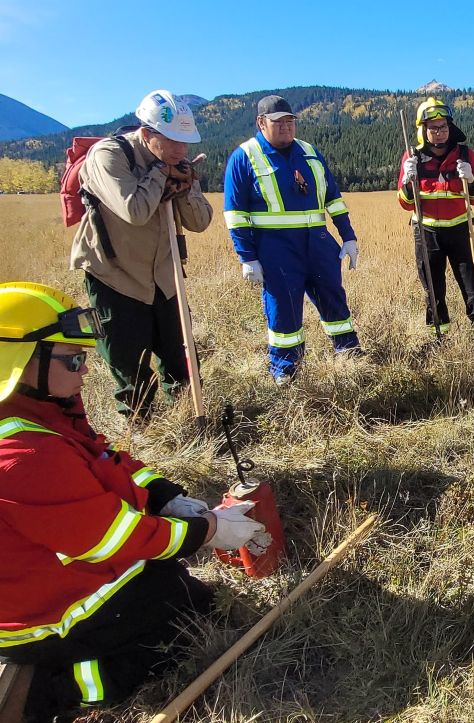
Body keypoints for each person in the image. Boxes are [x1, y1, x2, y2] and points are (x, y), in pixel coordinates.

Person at [0, 282, 263, 719]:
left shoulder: (41, 408)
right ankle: (53, 688)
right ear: (20, 363)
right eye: (75, 358)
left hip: (51, 568)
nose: (87, 370)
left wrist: (166, 498)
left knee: (181, 592)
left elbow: (103, 459)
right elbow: (109, 538)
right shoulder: (21, 456)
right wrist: (208, 531)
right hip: (42, 614)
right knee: (182, 623)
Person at [70, 89, 212, 420]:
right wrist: (160, 175)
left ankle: (188, 426)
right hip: (117, 277)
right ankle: (141, 440)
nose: (181, 149)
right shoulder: (109, 156)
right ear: (147, 134)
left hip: (165, 277)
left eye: (185, 141)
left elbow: (200, 222)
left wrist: (186, 185)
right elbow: (134, 210)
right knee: (130, 370)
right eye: (172, 140)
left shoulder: (179, 162)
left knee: (181, 360)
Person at [224, 95, 362, 383]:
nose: (286, 127)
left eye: (290, 121)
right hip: (276, 249)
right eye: (279, 122)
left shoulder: (309, 152)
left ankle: (349, 355)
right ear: (261, 123)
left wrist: (348, 236)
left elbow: (333, 198)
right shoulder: (244, 157)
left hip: (319, 245)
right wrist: (247, 257)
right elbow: (236, 214)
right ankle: (285, 370)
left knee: (335, 301)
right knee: (284, 311)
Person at [397, 97, 474, 347]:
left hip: (460, 229)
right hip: (427, 231)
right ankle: (440, 342)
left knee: (473, 288)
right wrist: (409, 181)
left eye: (443, 127)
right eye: (433, 128)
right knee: (433, 290)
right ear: (423, 130)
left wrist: (471, 180)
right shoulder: (412, 157)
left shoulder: (465, 155)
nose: (439, 133)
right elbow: (406, 203)